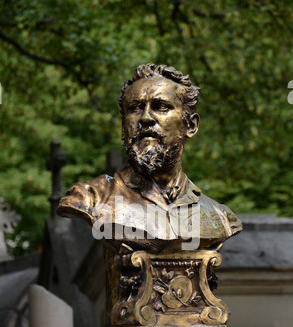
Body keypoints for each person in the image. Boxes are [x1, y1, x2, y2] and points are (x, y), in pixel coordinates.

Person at [57, 63, 242, 252]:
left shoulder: (219, 216)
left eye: (161, 107)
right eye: (135, 108)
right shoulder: (91, 197)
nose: (145, 118)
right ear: (123, 126)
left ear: (190, 126)